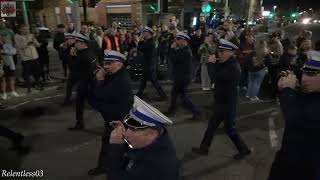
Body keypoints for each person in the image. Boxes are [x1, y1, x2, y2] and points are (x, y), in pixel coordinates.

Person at [192, 39, 251, 159]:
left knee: (230, 130)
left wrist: (210, 63)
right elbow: (218, 70)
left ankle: (244, 149)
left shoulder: (233, 67)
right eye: (219, 51)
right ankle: (204, 148)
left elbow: (215, 77)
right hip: (221, 102)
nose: (219, 54)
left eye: (222, 51)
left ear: (231, 52)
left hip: (227, 104)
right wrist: (215, 62)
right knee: (212, 125)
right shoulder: (226, 63)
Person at [268, 50, 320, 180]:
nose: (305, 78)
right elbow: (301, 102)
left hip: (306, 167)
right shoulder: (311, 92)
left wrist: (288, 90)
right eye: (304, 73)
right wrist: (292, 86)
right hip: (288, 157)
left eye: (311, 74)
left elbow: (296, 117)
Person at [107, 95, 179, 180]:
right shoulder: (155, 143)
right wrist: (124, 142)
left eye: (133, 129)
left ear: (151, 134)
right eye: (128, 127)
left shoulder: (153, 167)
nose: (126, 133)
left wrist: (116, 147)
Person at [87, 50, 133, 175]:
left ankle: (118, 169)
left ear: (119, 64)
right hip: (113, 117)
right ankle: (105, 166)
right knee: (109, 143)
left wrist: (100, 80)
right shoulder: (116, 74)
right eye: (105, 63)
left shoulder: (121, 80)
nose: (106, 66)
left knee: (117, 145)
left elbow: (99, 94)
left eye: (109, 63)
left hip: (118, 119)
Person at [166, 32, 200, 120]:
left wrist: (172, 49)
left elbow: (173, 59)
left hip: (183, 78)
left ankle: (195, 111)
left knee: (183, 97)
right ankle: (172, 110)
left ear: (184, 41)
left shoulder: (186, 51)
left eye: (178, 40)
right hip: (180, 76)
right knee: (177, 95)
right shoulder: (182, 49)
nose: (176, 42)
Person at [68, 33, 97, 130]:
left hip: (84, 83)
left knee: (82, 103)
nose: (75, 45)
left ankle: (80, 123)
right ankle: (79, 123)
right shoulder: (90, 52)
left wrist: (72, 56)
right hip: (90, 82)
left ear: (83, 43)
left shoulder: (82, 56)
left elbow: (72, 68)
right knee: (90, 103)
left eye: (77, 43)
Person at [136, 26, 167, 100]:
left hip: (149, 66)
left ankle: (163, 96)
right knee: (143, 81)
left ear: (149, 33)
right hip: (148, 65)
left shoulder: (150, 42)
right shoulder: (148, 41)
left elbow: (140, 49)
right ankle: (139, 94)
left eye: (144, 32)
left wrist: (139, 41)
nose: (143, 34)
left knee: (154, 82)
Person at [14, 24, 42, 93]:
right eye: (25, 29)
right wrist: (28, 42)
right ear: (20, 29)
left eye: (28, 29)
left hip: (34, 56)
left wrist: (35, 41)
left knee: (36, 72)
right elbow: (20, 46)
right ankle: (28, 88)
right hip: (26, 58)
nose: (27, 30)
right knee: (27, 74)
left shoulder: (31, 35)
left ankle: (38, 85)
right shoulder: (17, 36)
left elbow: (37, 45)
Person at [61, 33, 77, 105]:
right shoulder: (68, 47)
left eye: (68, 39)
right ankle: (68, 99)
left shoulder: (76, 47)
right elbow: (65, 59)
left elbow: (70, 58)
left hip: (78, 70)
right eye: (66, 39)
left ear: (73, 39)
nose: (66, 41)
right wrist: (64, 49)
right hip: (73, 70)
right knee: (70, 84)